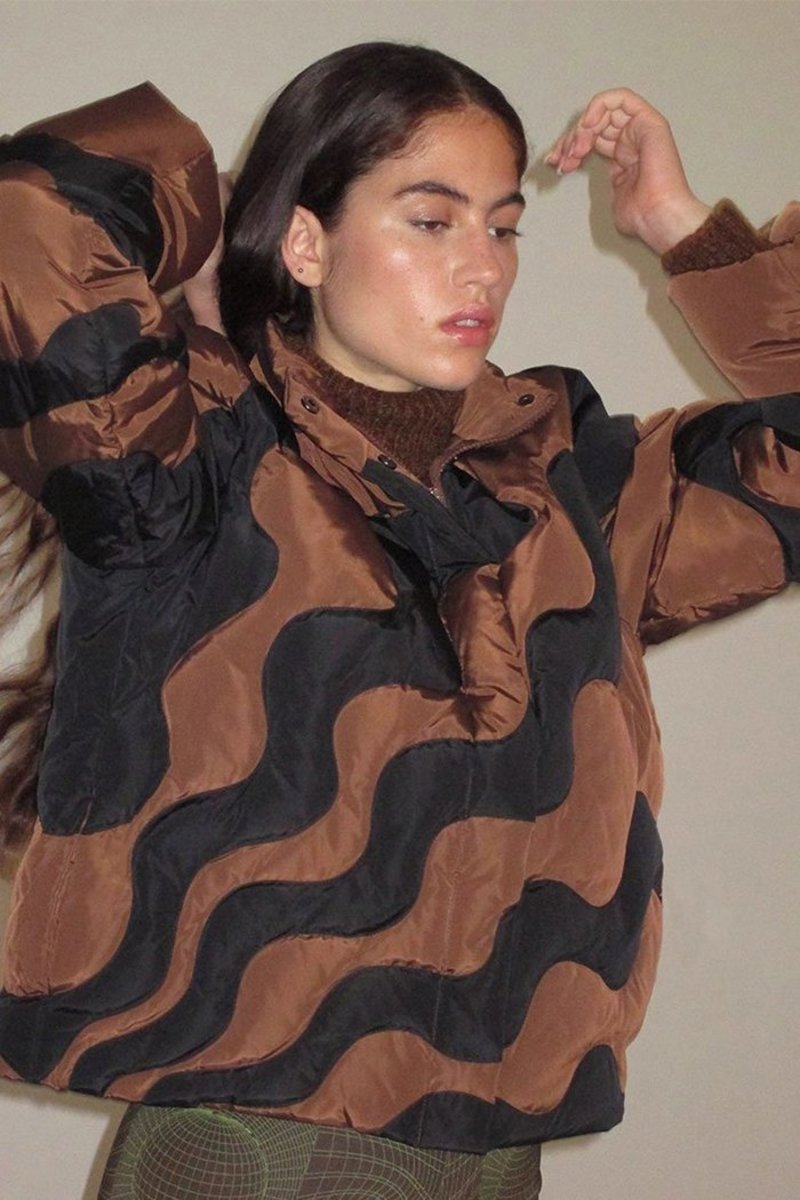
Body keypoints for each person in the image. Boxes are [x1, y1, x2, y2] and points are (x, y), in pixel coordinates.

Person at [0, 40, 797, 1200]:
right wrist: (214, 226)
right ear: (307, 242)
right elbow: (30, 213)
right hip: (250, 1151)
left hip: (487, 1156)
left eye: (502, 226)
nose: (480, 266)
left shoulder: (574, 488)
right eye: (430, 220)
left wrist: (684, 230)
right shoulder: (182, 460)